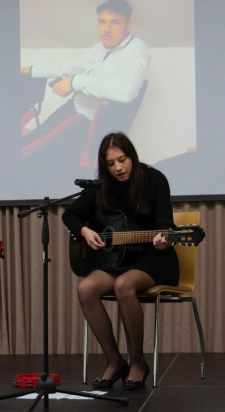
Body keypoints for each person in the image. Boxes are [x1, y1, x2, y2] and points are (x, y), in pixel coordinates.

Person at [62, 132, 178, 390]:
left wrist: (164, 239)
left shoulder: (154, 180)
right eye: (110, 164)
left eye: (122, 160)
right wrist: (85, 231)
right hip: (117, 259)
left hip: (153, 258)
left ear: (132, 157)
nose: (118, 167)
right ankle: (115, 361)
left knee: (124, 285)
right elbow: (70, 215)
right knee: (86, 288)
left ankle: (137, 362)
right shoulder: (103, 187)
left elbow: (165, 226)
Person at [21, 0, 149, 158]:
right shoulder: (102, 48)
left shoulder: (137, 49)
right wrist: (31, 70)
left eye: (115, 22)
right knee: (32, 139)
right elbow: (71, 66)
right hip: (74, 107)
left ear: (128, 25)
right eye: (102, 22)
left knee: (31, 150)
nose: (106, 29)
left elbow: (125, 91)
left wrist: (75, 82)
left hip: (84, 123)